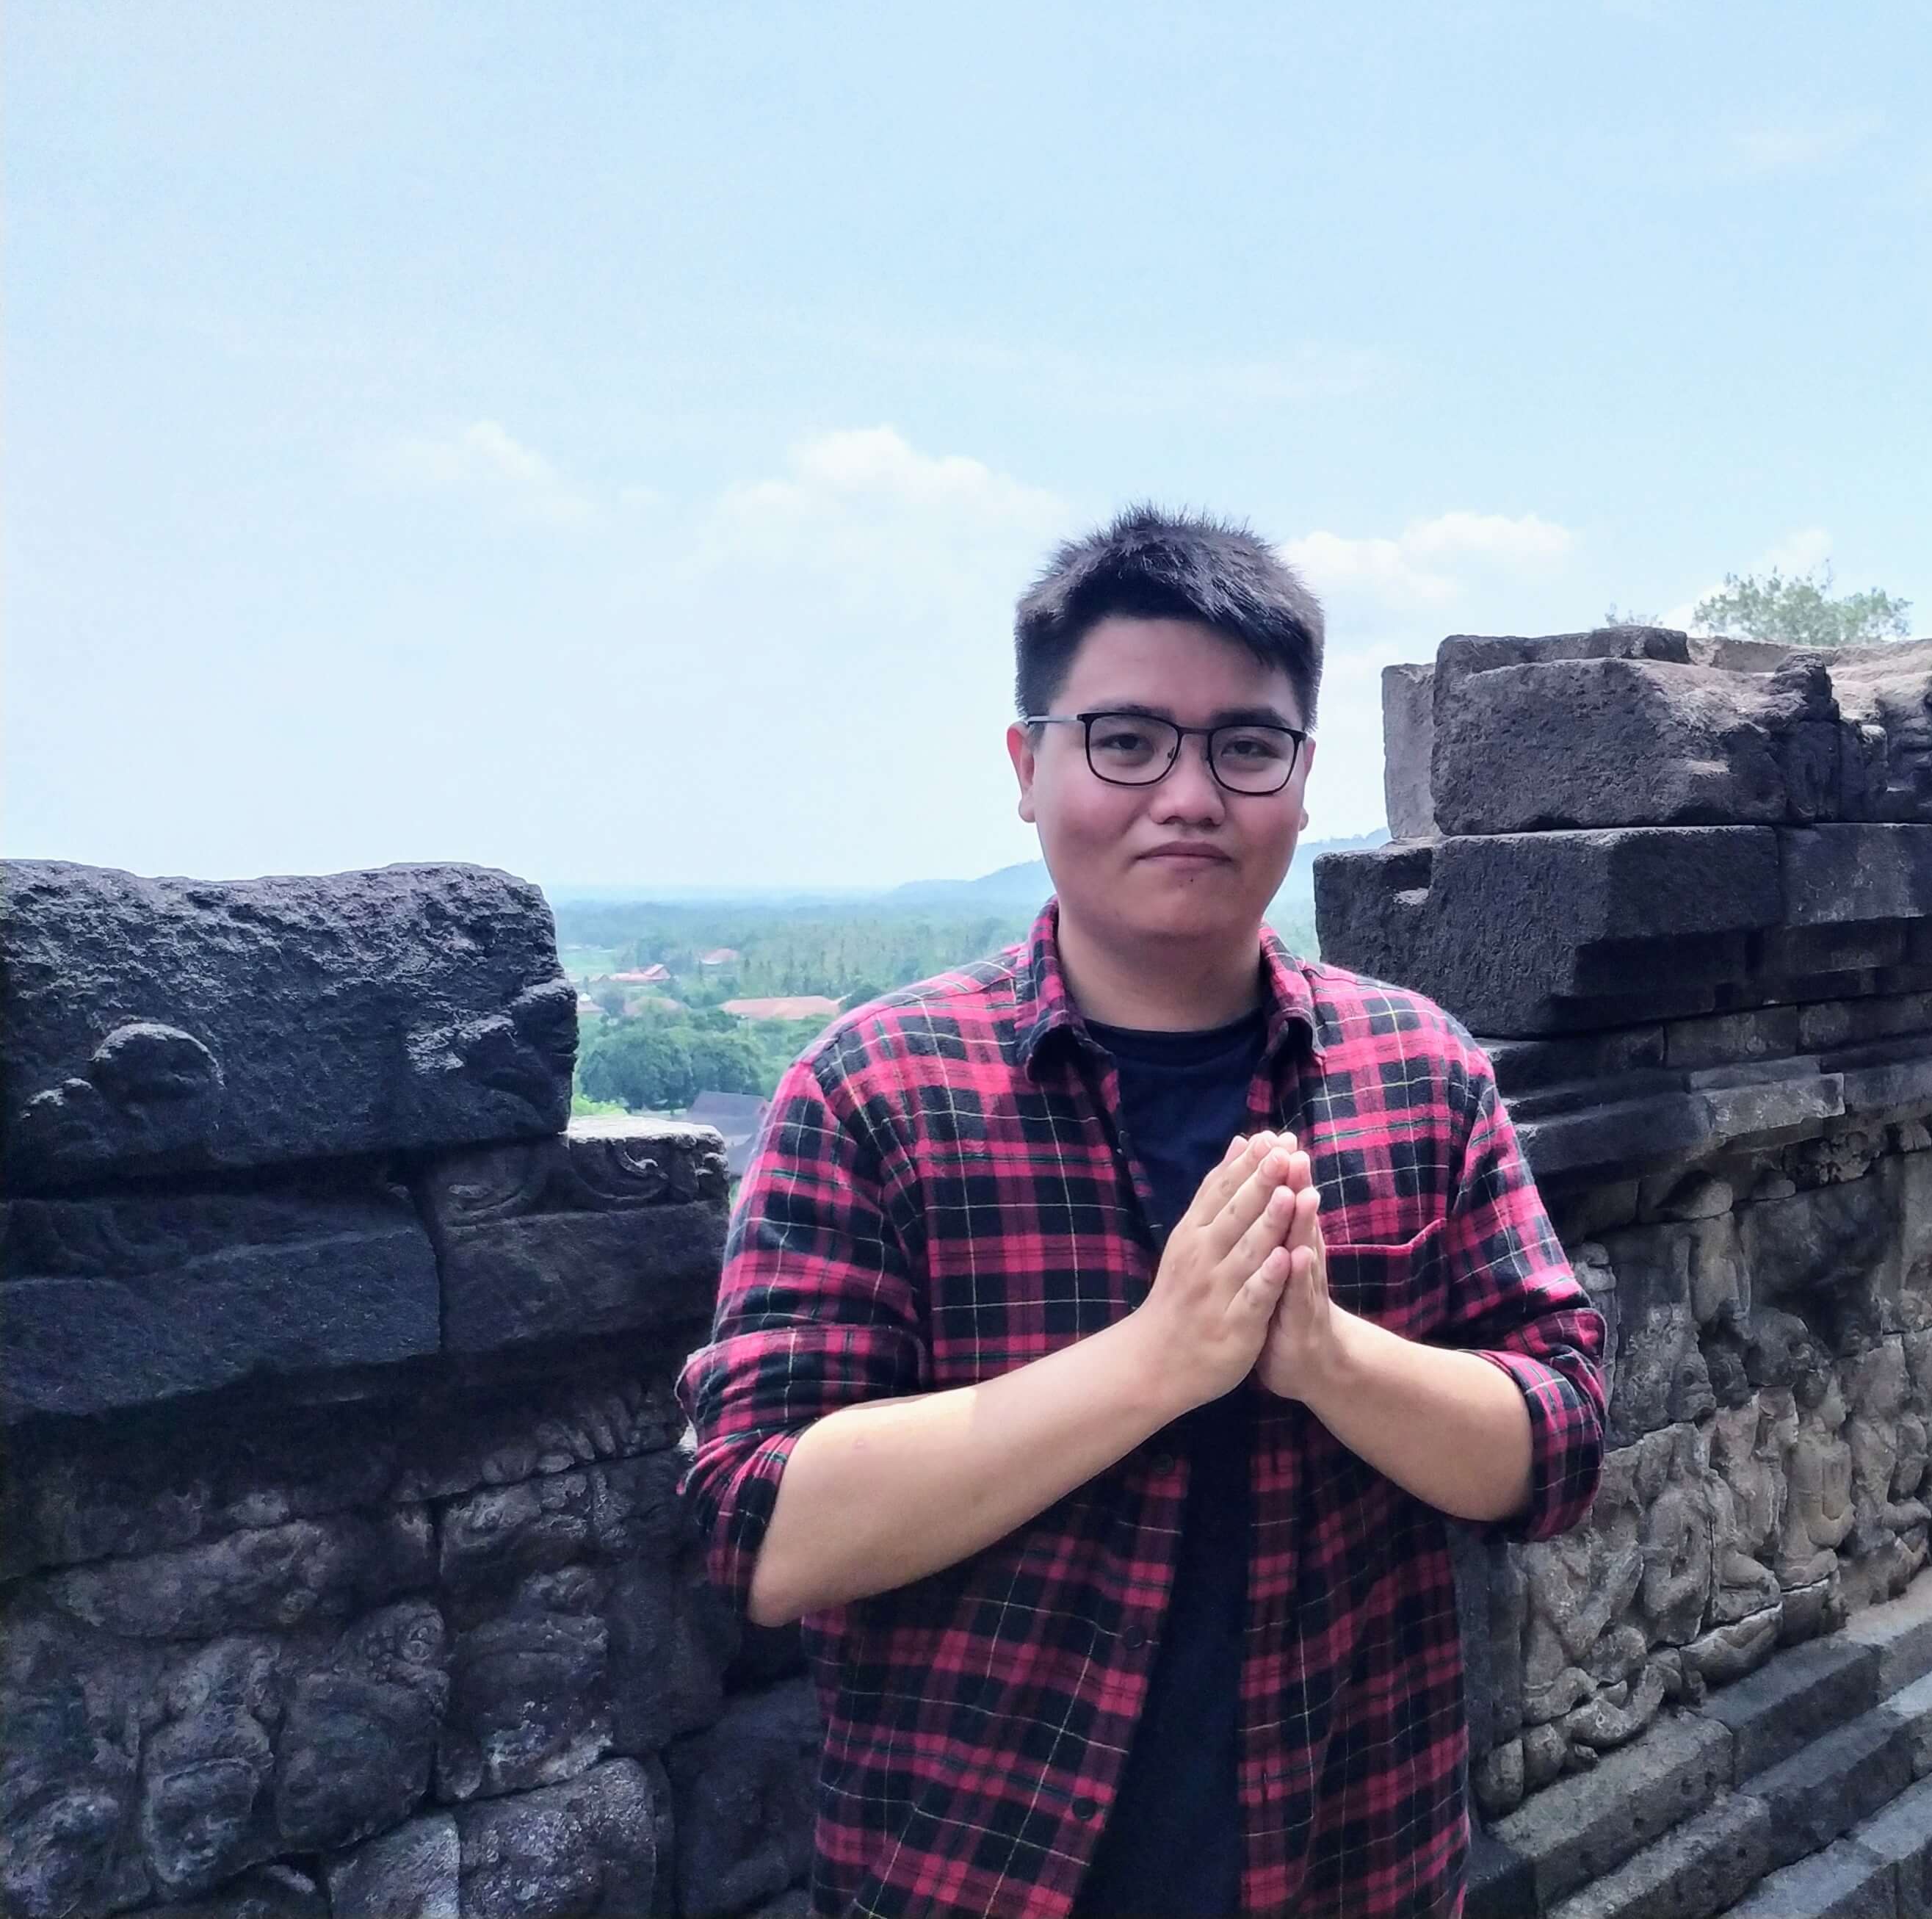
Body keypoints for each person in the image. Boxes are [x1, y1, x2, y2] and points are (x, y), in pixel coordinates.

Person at [679, 507, 1608, 1918]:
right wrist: (1154, 1363)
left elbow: (1558, 1448)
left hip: (1355, 1863)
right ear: (1027, 766)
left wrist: (1327, 1360)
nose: (1189, 795)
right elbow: (764, 1525)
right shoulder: (878, 1093)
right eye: (1126, 741)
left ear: (1302, 780)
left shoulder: (1415, 1073)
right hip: (977, 1876)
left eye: (1245, 746)